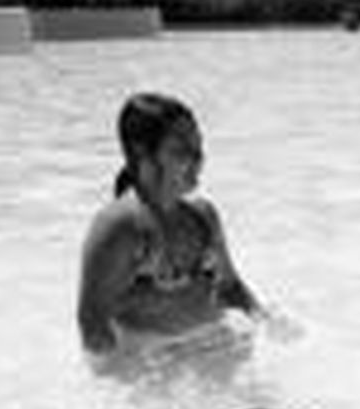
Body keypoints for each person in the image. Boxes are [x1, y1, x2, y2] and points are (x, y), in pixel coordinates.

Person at [77, 93, 273, 366]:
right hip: (158, 370)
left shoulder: (203, 215)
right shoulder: (120, 227)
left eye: (199, 147)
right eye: (182, 149)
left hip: (218, 351)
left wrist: (267, 322)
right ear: (142, 153)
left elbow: (230, 286)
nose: (198, 159)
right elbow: (93, 327)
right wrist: (132, 393)